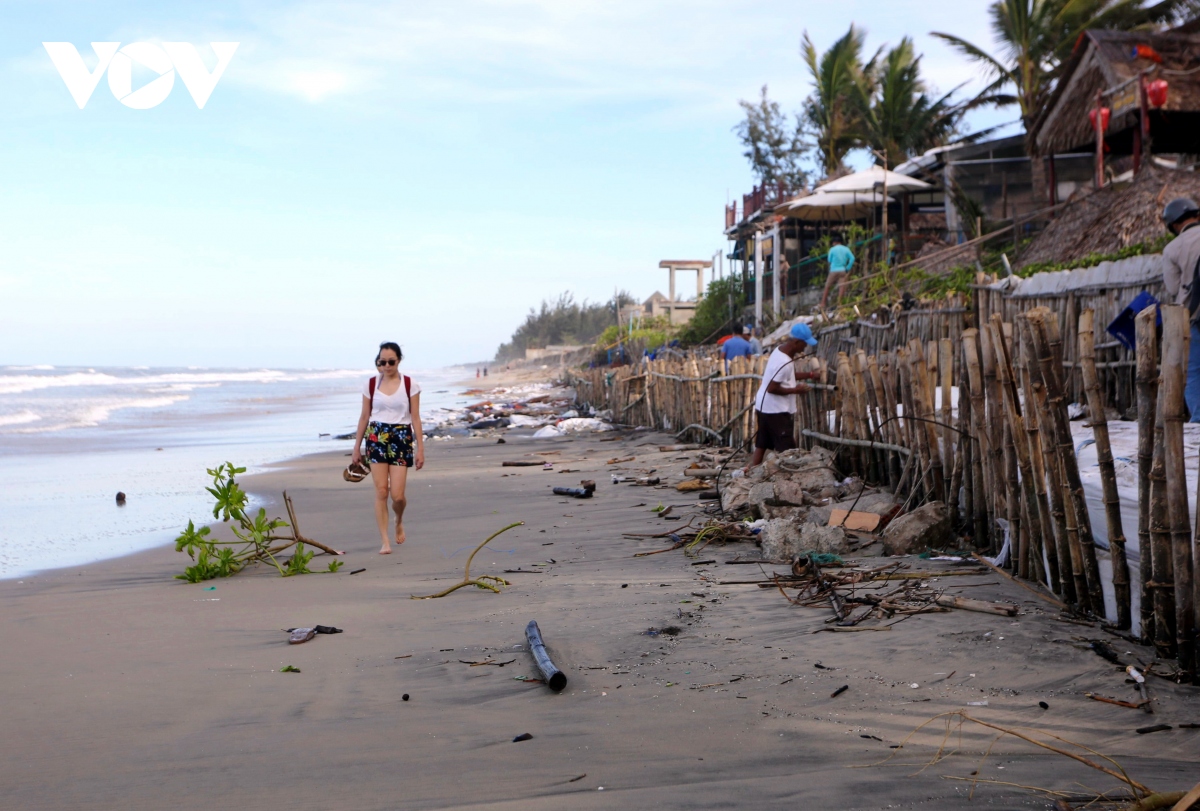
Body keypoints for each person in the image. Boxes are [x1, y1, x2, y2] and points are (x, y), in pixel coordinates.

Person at [352, 342, 425, 554]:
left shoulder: (411, 384)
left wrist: (420, 448)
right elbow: (364, 416)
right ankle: (385, 541)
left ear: (399, 360)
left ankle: (398, 519)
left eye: (391, 361)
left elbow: (416, 418)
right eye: (382, 362)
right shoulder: (371, 384)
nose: (387, 365)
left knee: (398, 496)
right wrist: (357, 447)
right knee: (382, 491)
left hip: (401, 436)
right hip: (376, 436)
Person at [747, 322, 821, 470]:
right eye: (804, 344)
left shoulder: (779, 351)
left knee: (763, 441)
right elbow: (772, 388)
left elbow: (786, 376)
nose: (805, 348)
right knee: (787, 448)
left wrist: (809, 375)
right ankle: (787, 478)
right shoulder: (784, 361)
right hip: (775, 410)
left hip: (764, 405)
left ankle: (750, 470)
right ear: (796, 342)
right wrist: (796, 390)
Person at [1161, 197, 1200, 420]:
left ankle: (1197, 424)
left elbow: (1173, 287)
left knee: (1193, 372)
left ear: (1174, 224)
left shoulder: (1172, 249)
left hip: (1194, 317)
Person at [820, 234, 855, 311]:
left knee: (827, 286)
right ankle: (839, 305)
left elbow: (829, 260)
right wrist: (847, 268)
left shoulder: (832, 249)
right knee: (841, 287)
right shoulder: (846, 249)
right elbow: (852, 258)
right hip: (843, 270)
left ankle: (822, 304)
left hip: (833, 270)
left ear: (834, 242)